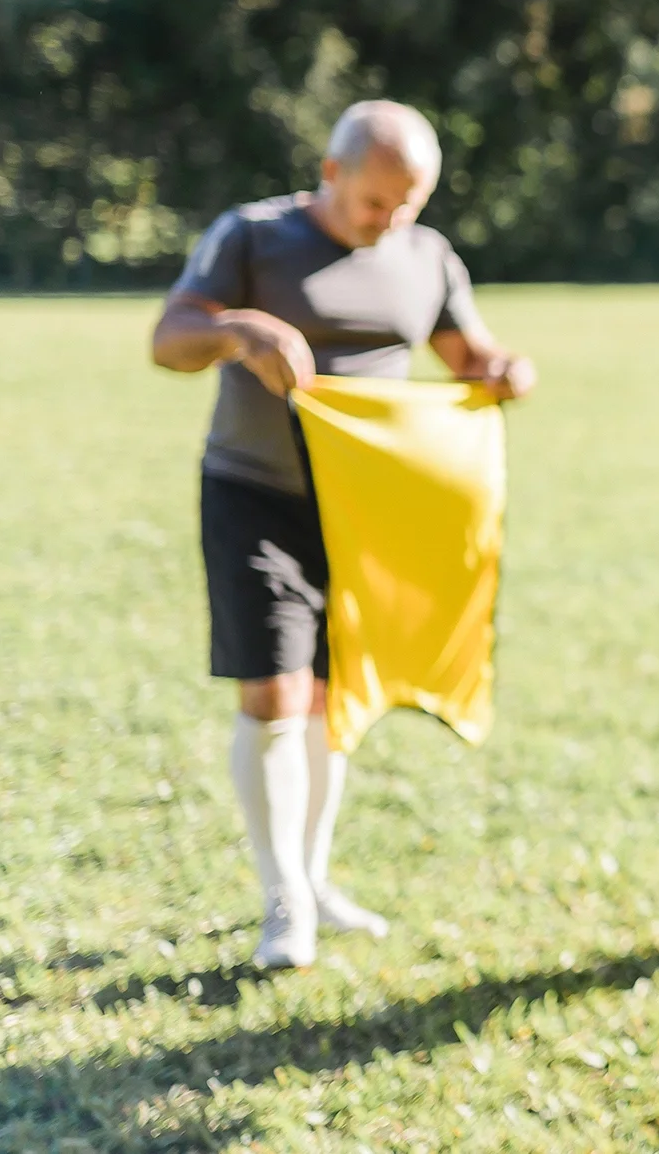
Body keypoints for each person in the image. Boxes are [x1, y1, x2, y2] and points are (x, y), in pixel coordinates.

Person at [150, 100, 536, 971]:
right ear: (331, 173)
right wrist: (237, 331)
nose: (391, 220)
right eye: (375, 203)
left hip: (368, 508)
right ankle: (282, 897)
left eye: (410, 203)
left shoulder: (427, 257)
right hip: (256, 493)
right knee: (275, 694)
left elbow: (468, 354)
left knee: (332, 699)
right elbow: (168, 339)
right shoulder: (253, 238)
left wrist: (506, 371)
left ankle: (316, 878)